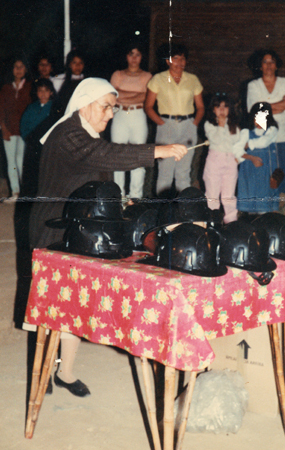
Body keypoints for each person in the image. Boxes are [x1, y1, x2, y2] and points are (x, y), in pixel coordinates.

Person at [27, 78, 188, 397]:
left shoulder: (85, 133)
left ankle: (65, 372)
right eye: (106, 107)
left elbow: (94, 179)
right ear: (84, 104)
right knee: (51, 307)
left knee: (73, 304)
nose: (111, 114)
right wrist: (160, 150)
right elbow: (104, 155)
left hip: (81, 229)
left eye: (113, 108)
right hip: (53, 229)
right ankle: (43, 369)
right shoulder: (69, 135)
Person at [144, 43, 205, 197]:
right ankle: (163, 210)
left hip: (188, 126)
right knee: (165, 172)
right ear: (168, 61)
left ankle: (182, 211)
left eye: (182, 58)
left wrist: (194, 124)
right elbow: (149, 106)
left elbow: (201, 107)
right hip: (166, 126)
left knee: (183, 173)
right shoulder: (158, 79)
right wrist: (161, 123)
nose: (179, 62)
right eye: (175, 58)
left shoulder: (192, 79)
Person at [246, 49, 285, 196]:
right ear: (260, 66)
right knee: (264, 169)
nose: (268, 65)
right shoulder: (253, 85)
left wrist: (265, 108)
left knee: (283, 169)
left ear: (276, 65)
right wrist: (278, 105)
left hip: (282, 134)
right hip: (261, 133)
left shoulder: (284, 82)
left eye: (272, 62)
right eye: (265, 62)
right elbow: (254, 111)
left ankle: (282, 204)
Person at [109, 43, 152, 200]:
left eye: (138, 54)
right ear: (126, 56)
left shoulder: (147, 76)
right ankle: (118, 196)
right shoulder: (117, 74)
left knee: (138, 156)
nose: (134, 58)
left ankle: (135, 196)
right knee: (118, 156)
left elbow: (145, 97)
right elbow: (113, 96)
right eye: (131, 54)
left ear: (142, 57)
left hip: (138, 116)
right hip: (119, 115)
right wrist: (136, 94)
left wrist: (123, 94)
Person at [233, 102, 280, 215]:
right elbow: (236, 149)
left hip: (267, 170)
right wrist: (251, 157)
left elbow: (264, 142)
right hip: (250, 170)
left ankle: (266, 221)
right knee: (251, 196)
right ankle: (252, 222)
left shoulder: (272, 130)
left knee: (265, 197)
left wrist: (248, 144)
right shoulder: (246, 132)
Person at [0, 58, 32, 201]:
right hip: (9, 131)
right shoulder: (6, 88)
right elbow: (0, 110)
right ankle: (15, 192)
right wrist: (4, 129)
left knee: (21, 161)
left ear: (26, 69)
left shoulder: (29, 87)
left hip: (24, 131)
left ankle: (24, 193)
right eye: (15, 67)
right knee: (11, 161)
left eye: (21, 67)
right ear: (12, 70)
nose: (18, 70)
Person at [202, 93, 241, 223]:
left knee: (228, 195)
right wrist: (220, 125)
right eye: (218, 107)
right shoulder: (209, 124)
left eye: (225, 107)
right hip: (215, 160)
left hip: (230, 161)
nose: (222, 110)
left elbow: (236, 141)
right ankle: (213, 221)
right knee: (212, 195)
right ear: (213, 110)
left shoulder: (234, 126)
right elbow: (216, 139)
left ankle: (231, 221)